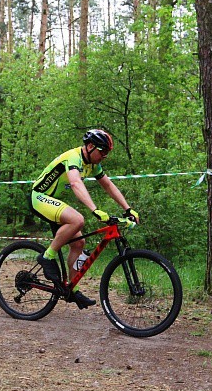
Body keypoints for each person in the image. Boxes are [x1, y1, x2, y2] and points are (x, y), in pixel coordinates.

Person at [31, 129, 141, 309]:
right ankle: (47, 257)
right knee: (78, 220)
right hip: (39, 197)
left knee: (78, 244)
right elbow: (75, 183)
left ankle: (72, 290)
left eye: (107, 153)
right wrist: (95, 210)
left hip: (54, 201)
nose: (104, 156)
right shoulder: (73, 158)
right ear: (90, 147)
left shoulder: (92, 164)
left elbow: (108, 185)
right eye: (102, 152)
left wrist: (128, 208)